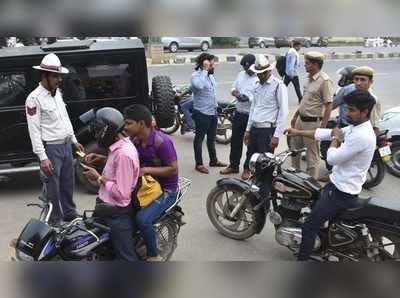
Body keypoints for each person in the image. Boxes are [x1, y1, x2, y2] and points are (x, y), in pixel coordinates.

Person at [284, 90, 376, 261]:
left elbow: (332, 158)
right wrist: (297, 132)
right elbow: (325, 133)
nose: (347, 113)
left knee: (309, 226)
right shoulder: (357, 127)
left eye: (351, 110)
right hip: (338, 187)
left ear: (364, 112)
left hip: (341, 193)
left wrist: (335, 139)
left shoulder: (362, 136)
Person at [25, 53, 84, 225]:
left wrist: (73, 140)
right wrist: (42, 157)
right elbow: (34, 130)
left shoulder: (57, 93)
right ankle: (55, 220)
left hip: (65, 145)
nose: (59, 79)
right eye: (55, 76)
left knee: (68, 183)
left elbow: (64, 117)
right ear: (44, 76)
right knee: (53, 189)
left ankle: (70, 214)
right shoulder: (34, 99)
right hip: (50, 149)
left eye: (59, 75)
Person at [83, 107, 140, 261]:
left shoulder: (124, 154)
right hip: (103, 206)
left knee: (125, 259)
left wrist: (99, 178)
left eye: (99, 129)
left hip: (117, 214)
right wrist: (101, 158)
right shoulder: (117, 147)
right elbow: (115, 169)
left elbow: (122, 194)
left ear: (108, 131)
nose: (96, 133)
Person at [124, 104, 179, 261]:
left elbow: (173, 169)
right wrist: (102, 159)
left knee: (142, 219)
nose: (125, 127)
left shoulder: (162, 142)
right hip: (145, 187)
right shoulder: (135, 140)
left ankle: (153, 256)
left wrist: (146, 170)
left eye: (129, 123)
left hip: (166, 191)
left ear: (141, 124)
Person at [243, 54, 289, 181]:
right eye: (258, 73)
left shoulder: (278, 86)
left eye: (263, 73)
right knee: (252, 157)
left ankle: (265, 189)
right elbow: (253, 108)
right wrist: (247, 129)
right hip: (254, 128)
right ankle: (255, 184)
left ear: (269, 71)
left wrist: (276, 135)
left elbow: (283, 112)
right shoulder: (257, 85)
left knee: (265, 163)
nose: (260, 76)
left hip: (267, 130)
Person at [290, 51, 333, 179]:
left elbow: (329, 105)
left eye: (307, 63)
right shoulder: (309, 79)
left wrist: (322, 127)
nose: (304, 65)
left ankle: (311, 183)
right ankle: (295, 178)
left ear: (315, 64)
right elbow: (304, 100)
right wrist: (295, 115)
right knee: (294, 150)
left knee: (311, 156)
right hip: (300, 121)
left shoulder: (325, 81)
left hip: (312, 123)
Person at [220, 54, 259, 178]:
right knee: (235, 141)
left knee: (250, 144)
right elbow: (233, 87)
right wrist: (236, 93)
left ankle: (247, 169)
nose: (246, 70)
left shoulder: (259, 77)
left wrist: (248, 98)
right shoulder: (241, 74)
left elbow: (260, 97)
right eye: (244, 68)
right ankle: (233, 165)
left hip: (251, 116)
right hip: (239, 114)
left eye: (248, 68)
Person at [191, 53, 227, 174]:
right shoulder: (196, 76)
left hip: (212, 112)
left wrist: (217, 107)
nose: (213, 67)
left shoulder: (210, 76)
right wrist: (205, 70)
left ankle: (213, 160)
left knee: (211, 139)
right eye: (211, 65)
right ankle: (199, 164)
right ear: (204, 64)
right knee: (199, 138)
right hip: (202, 112)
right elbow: (199, 86)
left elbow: (212, 93)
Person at [319, 65, 356, 180]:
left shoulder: (346, 89)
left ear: (349, 78)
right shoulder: (362, 88)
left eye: (344, 76)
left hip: (345, 124)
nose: (342, 78)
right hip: (356, 124)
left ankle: (331, 172)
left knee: (326, 144)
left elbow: (333, 104)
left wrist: (322, 114)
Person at [332, 66, 381, 134]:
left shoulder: (372, 100)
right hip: (343, 128)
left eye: (362, 80)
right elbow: (331, 105)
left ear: (370, 82)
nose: (358, 83)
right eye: (356, 79)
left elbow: (374, 126)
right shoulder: (347, 90)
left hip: (359, 133)